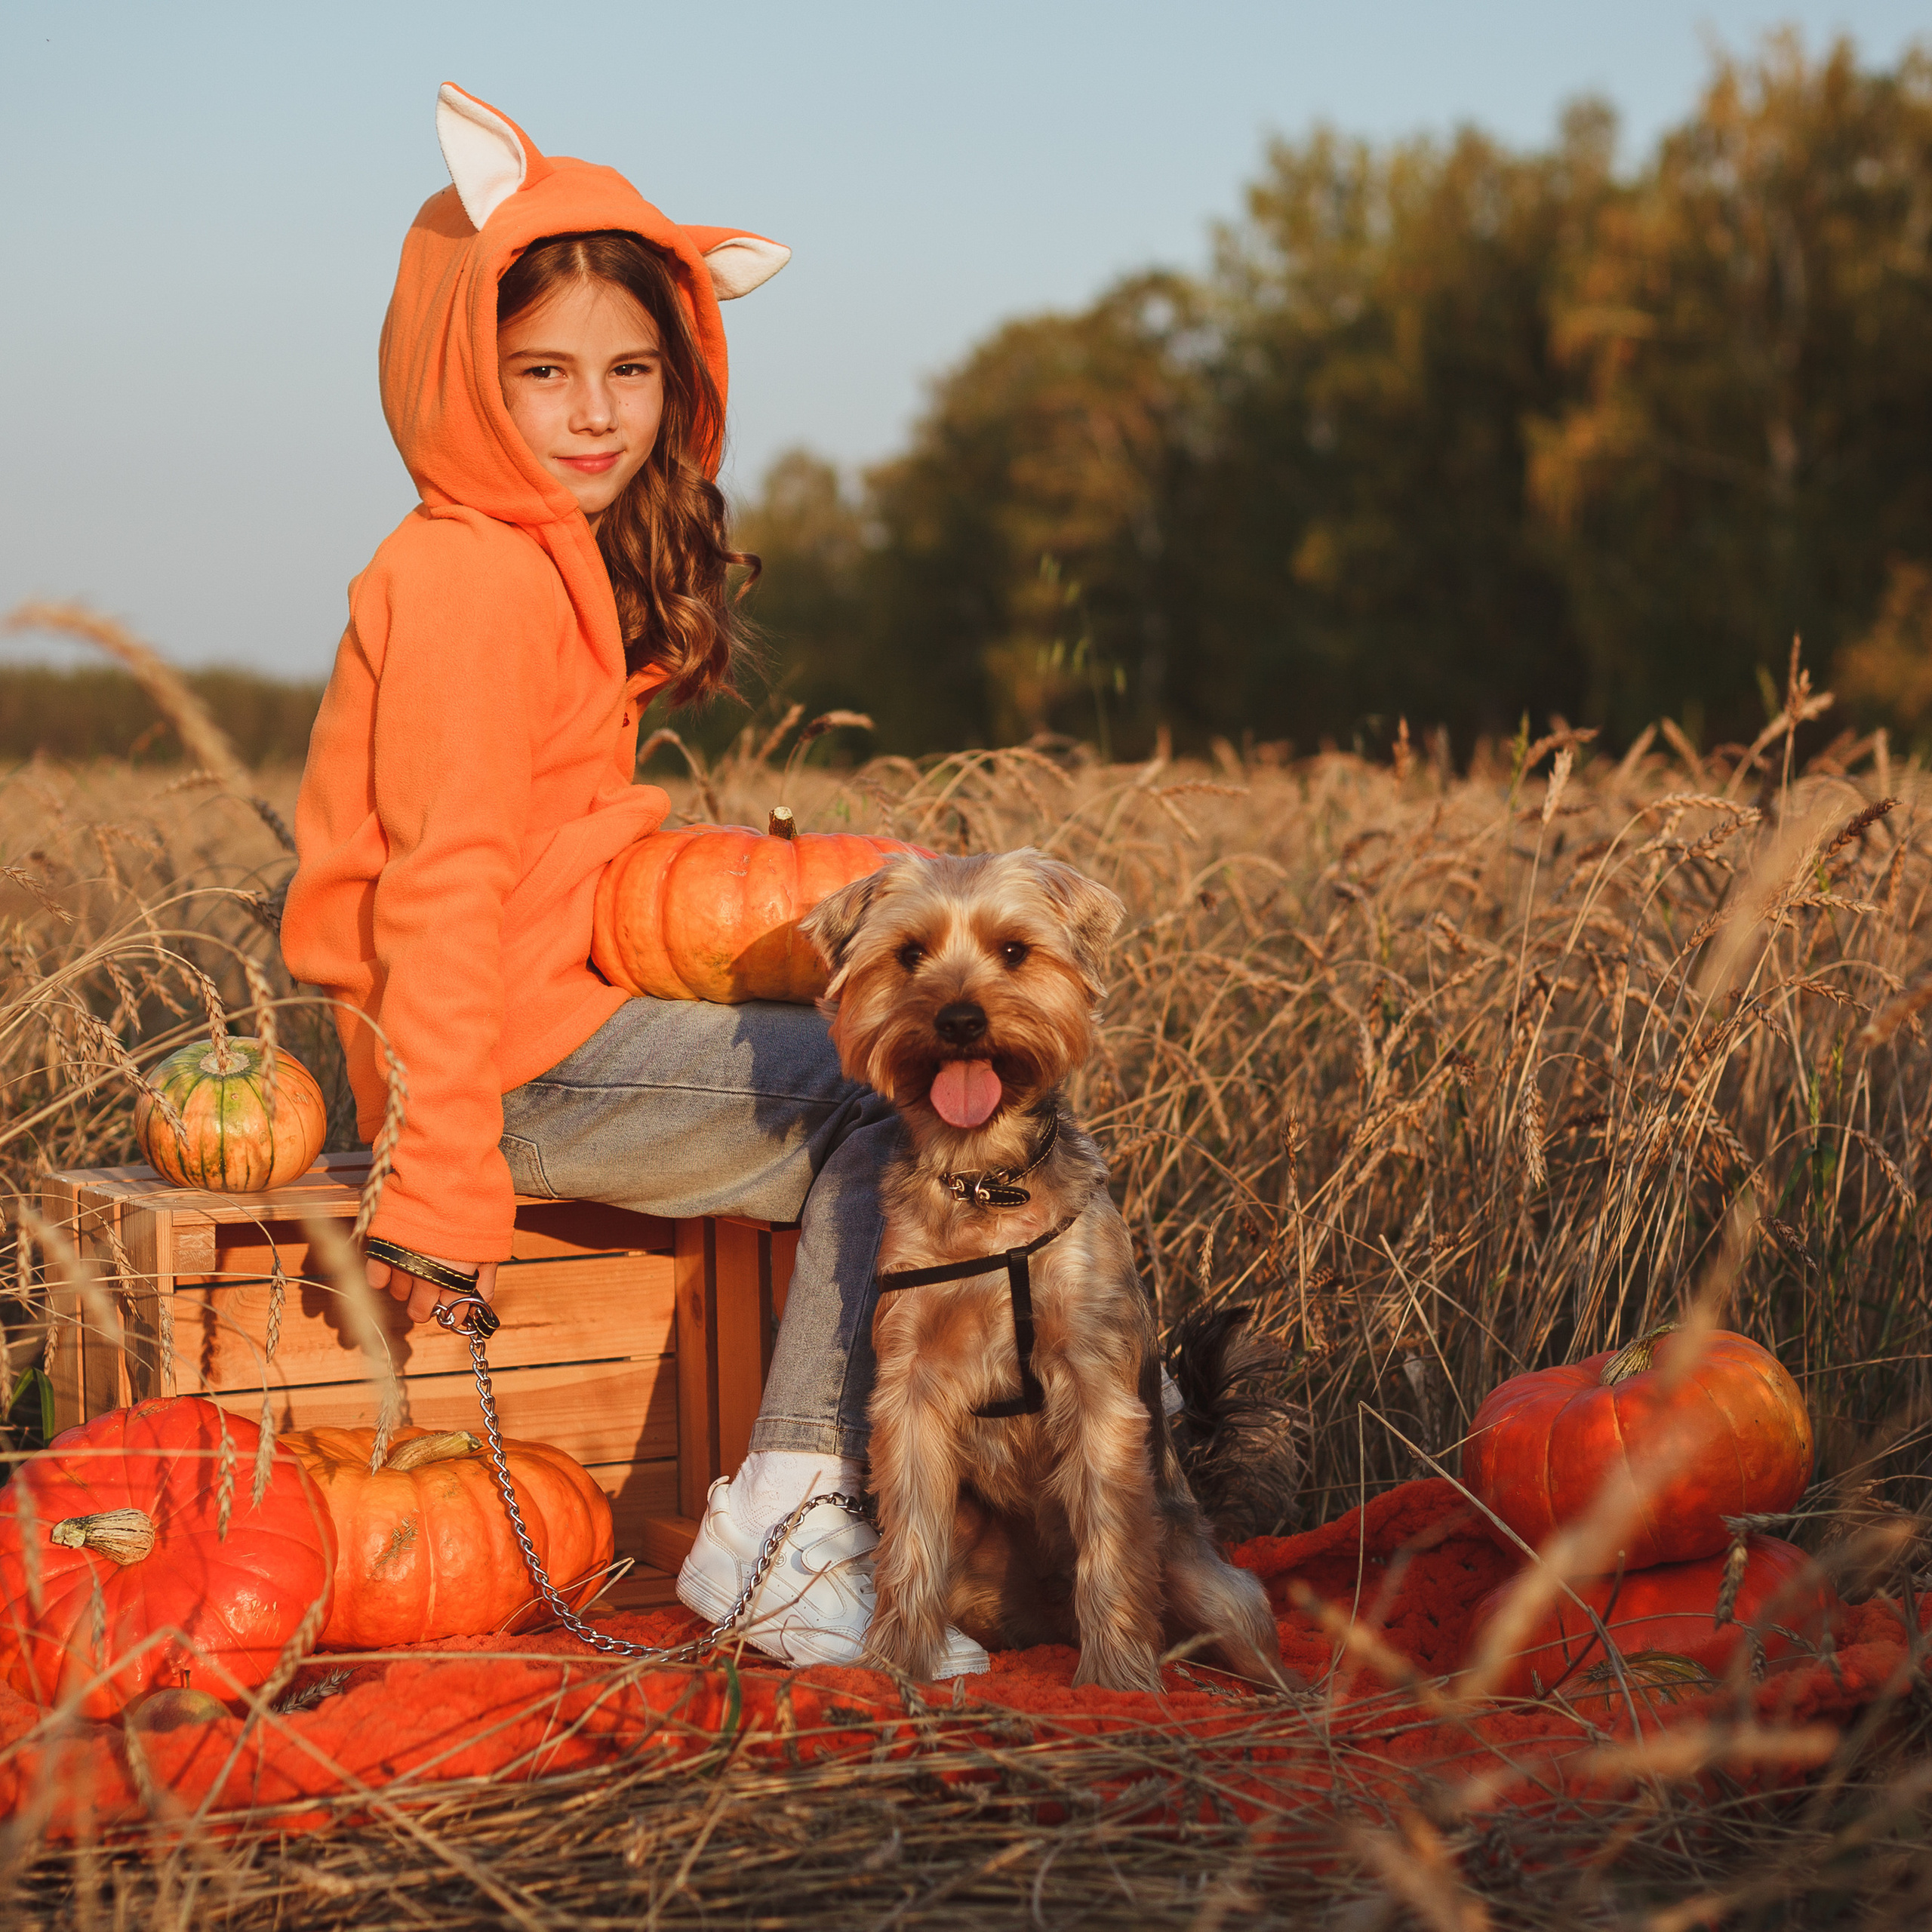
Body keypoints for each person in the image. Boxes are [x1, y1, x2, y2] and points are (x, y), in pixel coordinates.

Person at [281, 85, 986, 1676]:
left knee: (933, 1080)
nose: (594, 412)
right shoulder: (469, 576)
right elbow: (444, 889)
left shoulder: (544, 557)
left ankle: (925, 1492)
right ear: (468, 368)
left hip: (553, 1014)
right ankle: (787, 1517)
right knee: (887, 1102)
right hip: (490, 1070)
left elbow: (542, 846)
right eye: (543, 374)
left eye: (630, 370)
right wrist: (444, 1180)